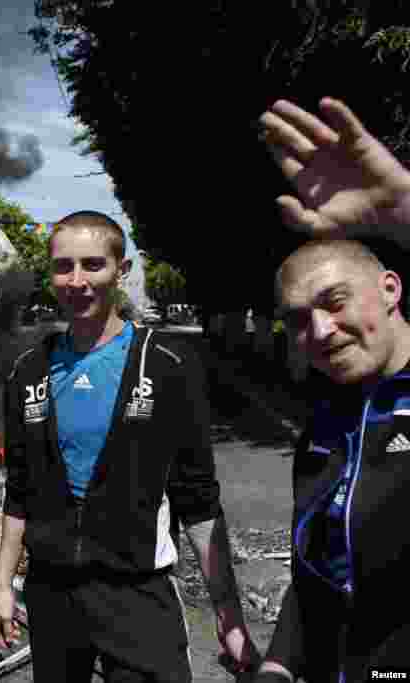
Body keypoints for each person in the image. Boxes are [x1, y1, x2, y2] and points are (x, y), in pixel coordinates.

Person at [0, 210, 257, 682]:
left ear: (122, 270)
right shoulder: (27, 371)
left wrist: (227, 615)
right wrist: (3, 587)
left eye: (93, 265)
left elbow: (198, 500)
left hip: (137, 592)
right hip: (53, 594)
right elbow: (19, 491)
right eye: (63, 266)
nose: (77, 281)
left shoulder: (169, 364)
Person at [257, 97, 410, 683]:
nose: (319, 331)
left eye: (335, 302)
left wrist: (401, 211)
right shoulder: (326, 417)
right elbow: (320, 566)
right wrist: (278, 663)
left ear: (391, 289)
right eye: (298, 319)